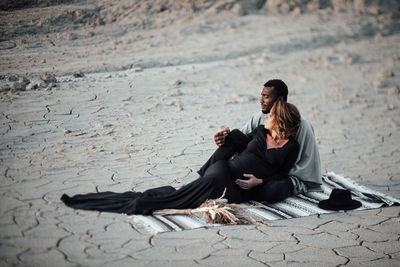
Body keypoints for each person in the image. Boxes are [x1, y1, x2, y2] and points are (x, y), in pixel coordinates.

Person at [61, 98, 301, 215]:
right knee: (186, 197)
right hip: (223, 172)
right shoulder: (259, 131)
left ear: (280, 119)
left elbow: (282, 174)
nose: (265, 117)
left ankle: (152, 198)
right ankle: (146, 203)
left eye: (270, 115)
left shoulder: (291, 147)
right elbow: (239, 140)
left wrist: (260, 183)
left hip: (242, 189)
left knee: (188, 198)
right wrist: (224, 136)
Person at [199, 79, 322, 197]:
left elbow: (306, 166)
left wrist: (262, 178)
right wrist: (224, 138)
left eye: (266, 97)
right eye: (261, 96)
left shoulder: (301, 125)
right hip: (257, 167)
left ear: (279, 99)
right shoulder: (261, 116)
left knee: (273, 190)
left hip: (280, 175)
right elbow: (241, 139)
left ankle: (245, 190)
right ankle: (203, 179)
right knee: (235, 136)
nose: (261, 101)